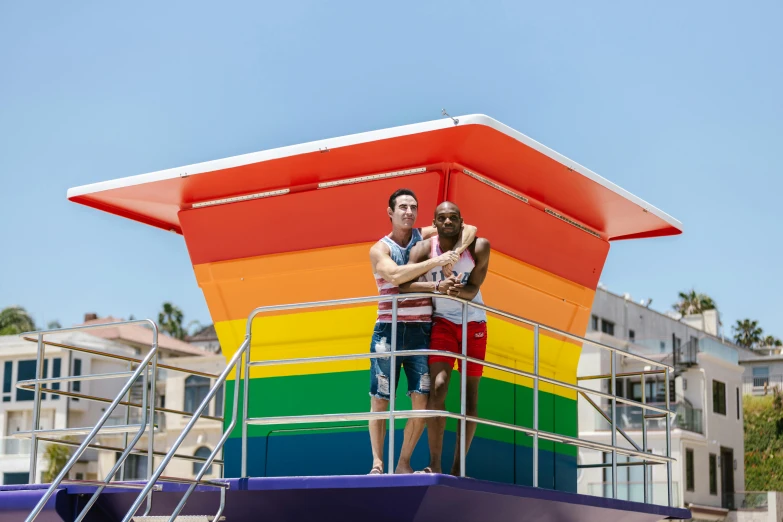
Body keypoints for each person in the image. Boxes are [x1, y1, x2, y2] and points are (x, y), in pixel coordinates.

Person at [368, 189, 476, 475]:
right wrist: (437, 265)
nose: (408, 212)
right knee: (380, 399)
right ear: (390, 212)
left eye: (413, 207)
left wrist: (455, 252)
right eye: (402, 207)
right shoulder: (380, 249)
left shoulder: (422, 235)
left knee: (421, 399)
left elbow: (472, 228)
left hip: (421, 330)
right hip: (387, 331)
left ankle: (403, 462)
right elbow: (397, 276)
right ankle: (378, 464)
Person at [400, 201, 490, 475]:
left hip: (474, 323)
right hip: (443, 323)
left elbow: (473, 289)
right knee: (437, 389)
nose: (448, 221)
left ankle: (458, 466)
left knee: (470, 399)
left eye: (453, 217)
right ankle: (435, 463)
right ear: (435, 223)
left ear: (461, 222)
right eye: (442, 218)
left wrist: (451, 287)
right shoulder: (424, 249)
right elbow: (403, 284)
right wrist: (438, 286)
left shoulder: (479, 246)